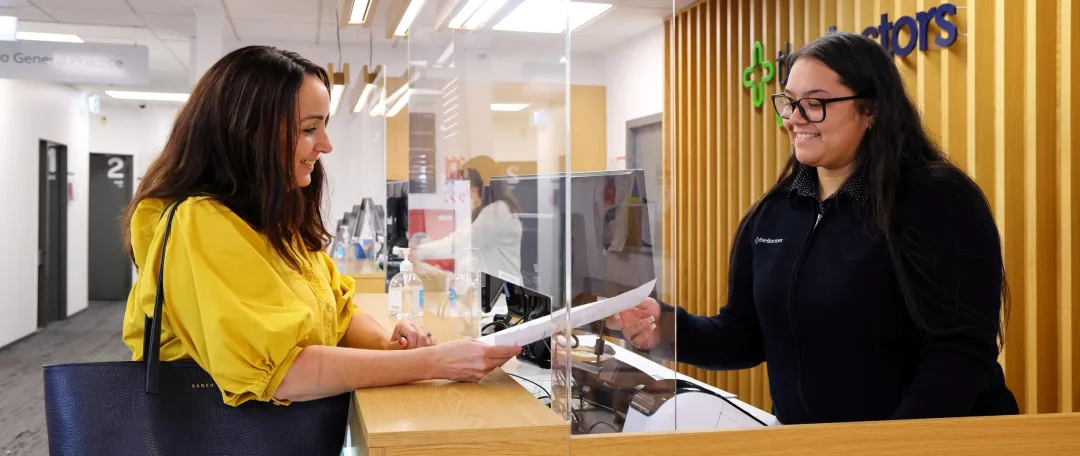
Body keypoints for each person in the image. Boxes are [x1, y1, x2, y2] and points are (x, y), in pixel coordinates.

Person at [607, 32, 1019, 424]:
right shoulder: (775, 211)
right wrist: (666, 326)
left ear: (871, 109)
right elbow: (746, 333)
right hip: (812, 440)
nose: (795, 119)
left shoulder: (934, 199)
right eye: (789, 102)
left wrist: (895, 445)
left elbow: (959, 354)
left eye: (816, 103)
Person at [120, 45, 521, 407]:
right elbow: (284, 373)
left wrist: (387, 344)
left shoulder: (272, 215)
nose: (326, 144)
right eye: (310, 129)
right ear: (250, 135)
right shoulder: (201, 223)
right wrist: (429, 362)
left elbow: (338, 311)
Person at [412, 166, 523, 282]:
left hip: (504, 292)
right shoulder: (480, 213)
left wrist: (419, 251)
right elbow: (456, 238)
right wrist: (418, 249)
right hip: (489, 289)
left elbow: (462, 243)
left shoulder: (498, 211)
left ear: (474, 191)